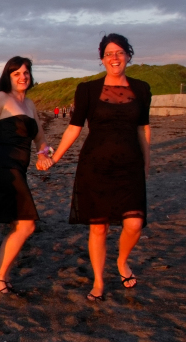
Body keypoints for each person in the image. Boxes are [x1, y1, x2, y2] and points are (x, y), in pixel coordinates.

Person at [50, 33, 151, 302]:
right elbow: (74, 128)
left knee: (135, 223)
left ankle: (122, 261)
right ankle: (98, 281)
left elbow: (143, 129)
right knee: (99, 227)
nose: (114, 57)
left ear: (128, 55)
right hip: (95, 165)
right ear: (101, 59)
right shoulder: (88, 90)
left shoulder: (142, 88)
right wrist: (56, 157)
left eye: (119, 52)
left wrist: (147, 162)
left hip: (130, 165)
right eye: (109, 53)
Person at [0, 56, 53, 296]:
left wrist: (43, 155)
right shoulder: (0, 99)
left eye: (26, 72)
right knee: (26, 225)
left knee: (19, 224)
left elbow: (40, 139)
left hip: (20, 169)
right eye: (16, 73)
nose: (22, 76)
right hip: (2, 167)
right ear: (8, 76)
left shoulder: (30, 104)